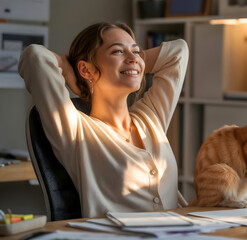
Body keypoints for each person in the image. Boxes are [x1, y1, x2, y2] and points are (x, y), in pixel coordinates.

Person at [18, 22, 189, 218]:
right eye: (117, 51)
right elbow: (34, 57)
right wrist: (67, 69)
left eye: (136, 51)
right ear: (85, 70)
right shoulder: (76, 130)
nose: (133, 57)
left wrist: (134, 63)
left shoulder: (150, 117)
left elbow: (179, 51)